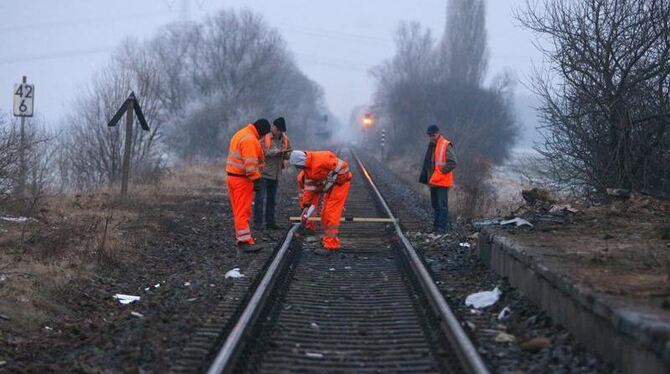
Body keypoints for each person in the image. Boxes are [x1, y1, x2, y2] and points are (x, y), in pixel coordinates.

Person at [289, 150, 352, 256]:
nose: (297, 169)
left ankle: (331, 245)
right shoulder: (307, 170)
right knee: (324, 213)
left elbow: (343, 166)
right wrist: (306, 205)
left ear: (301, 161)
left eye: (297, 166)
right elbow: (309, 189)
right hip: (331, 186)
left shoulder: (321, 159)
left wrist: (338, 180)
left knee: (331, 213)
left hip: (341, 184)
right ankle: (328, 239)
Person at [225, 119, 271, 252]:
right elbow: (250, 165)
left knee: (238, 210)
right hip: (242, 180)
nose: (263, 138)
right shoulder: (250, 139)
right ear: (261, 131)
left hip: (232, 177)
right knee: (243, 211)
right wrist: (256, 180)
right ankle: (244, 241)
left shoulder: (240, 133)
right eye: (264, 134)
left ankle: (243, 238)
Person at [254, 117, 293, 230]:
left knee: (272, 200)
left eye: (281, 130)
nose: (279, 132)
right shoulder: (265, 137)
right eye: (278, 129)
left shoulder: (285, 139)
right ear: (273, 127)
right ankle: (258, 224)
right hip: (263, 173)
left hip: (276, 174)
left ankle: (270, 223)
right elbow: (261, 151)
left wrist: (286, 154)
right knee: (260, 199)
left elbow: (289, 151)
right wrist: (276, 152)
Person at [419, 125, 457, 234]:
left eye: (433, 134)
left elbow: (453, 162)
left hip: (442, 182)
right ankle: (436, 227)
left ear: (438, 133)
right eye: (430, 135)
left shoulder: (445, 144)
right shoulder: (432, 145)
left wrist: (441, 172)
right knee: (435, 206)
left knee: (442, 206)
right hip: (434, 181)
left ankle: (441, 228)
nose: (431, 137)